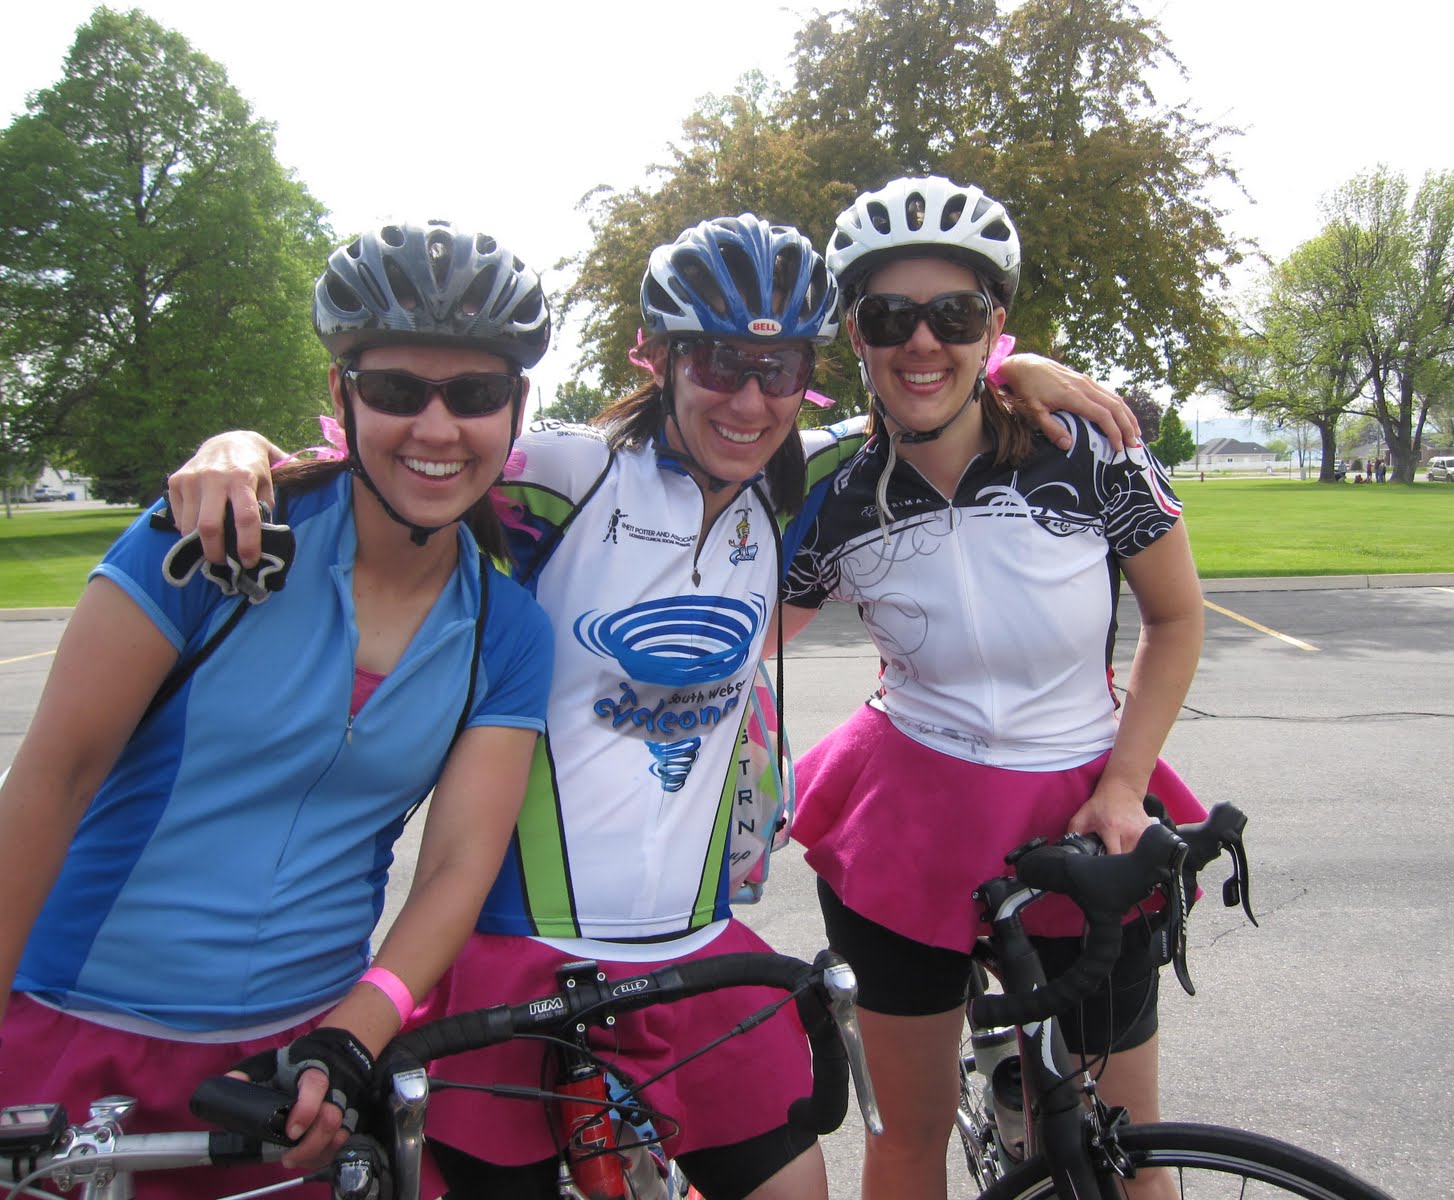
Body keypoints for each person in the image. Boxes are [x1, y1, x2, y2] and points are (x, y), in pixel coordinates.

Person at [167, 214, 1141, 1200]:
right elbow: (406, 454)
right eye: (717, 362)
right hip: (516, 949)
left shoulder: (798, 480)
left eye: (777, 368)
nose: (748, 398)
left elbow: (929, 390)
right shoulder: (568, 474)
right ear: (657, 356)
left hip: (693, 950)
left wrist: (1018, 369)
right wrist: (240, 453)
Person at [0, 220, 555, 1199]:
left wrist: (354, 1034)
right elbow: (53, 778)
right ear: (342, 395)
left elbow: (457, 867)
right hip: (74, 1036)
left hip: (294, 1075)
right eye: (396, 390)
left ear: (515, 410)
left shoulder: (507, 631)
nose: (436, 429)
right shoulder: (206, 543)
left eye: (473, 395)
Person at [777, 176, 1207, 1200]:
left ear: (994, 323)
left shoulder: (1085, 450)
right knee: (907, 1139)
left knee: (1128, 1147)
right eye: (891, 317)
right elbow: (742, 641)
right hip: (905, 814)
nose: (921, 342)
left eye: (956, 315)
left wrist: (1124, 783)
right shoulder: (829, 492)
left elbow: (1177, 617)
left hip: (1085, 801)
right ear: (855, 334)